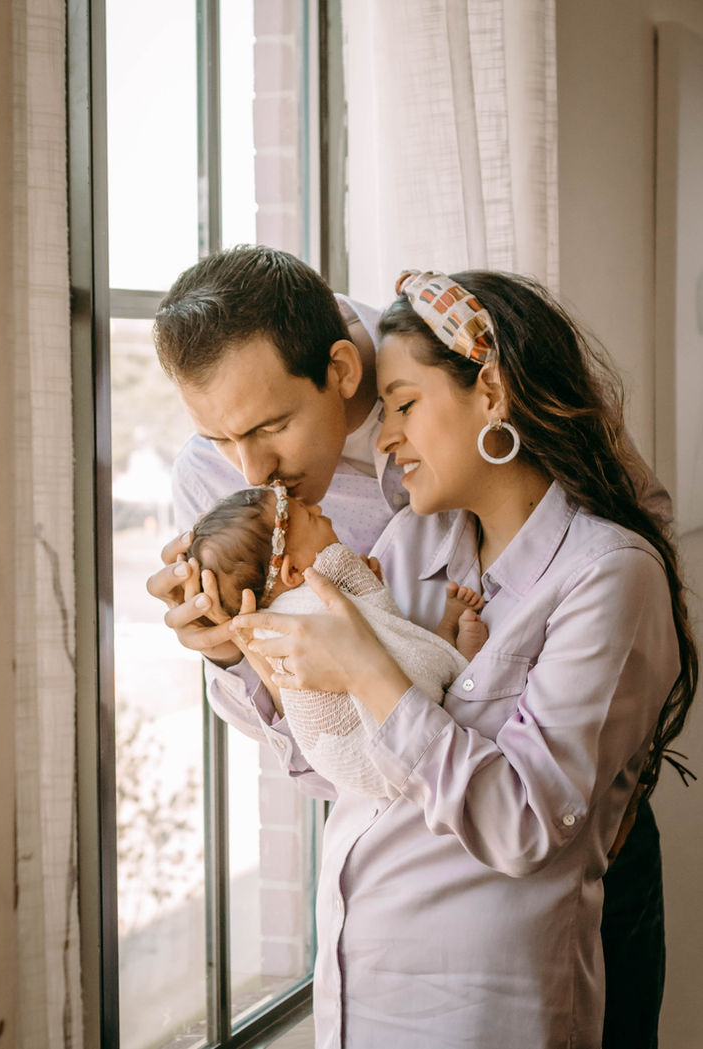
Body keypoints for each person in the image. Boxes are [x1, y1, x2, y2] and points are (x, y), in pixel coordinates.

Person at [146, 246, 679, 1047]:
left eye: (270, 427)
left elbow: (631, 538)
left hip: (557, 885)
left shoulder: (450, 348)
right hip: (380, 932)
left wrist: (597, 760)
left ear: (342, 371)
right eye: (222, 440)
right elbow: (326, 749)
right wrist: (236, 654)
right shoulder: (400, 533)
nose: (250, 471)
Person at [185, 481, 486, 796]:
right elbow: (386, 615)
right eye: (311, 518)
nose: (319, 509)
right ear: (294, 571)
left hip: (347, 767)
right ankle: (455, 653)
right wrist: (368, 584)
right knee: (410, 657)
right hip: (390, 739)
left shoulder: (262, 630)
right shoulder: (333, 564)